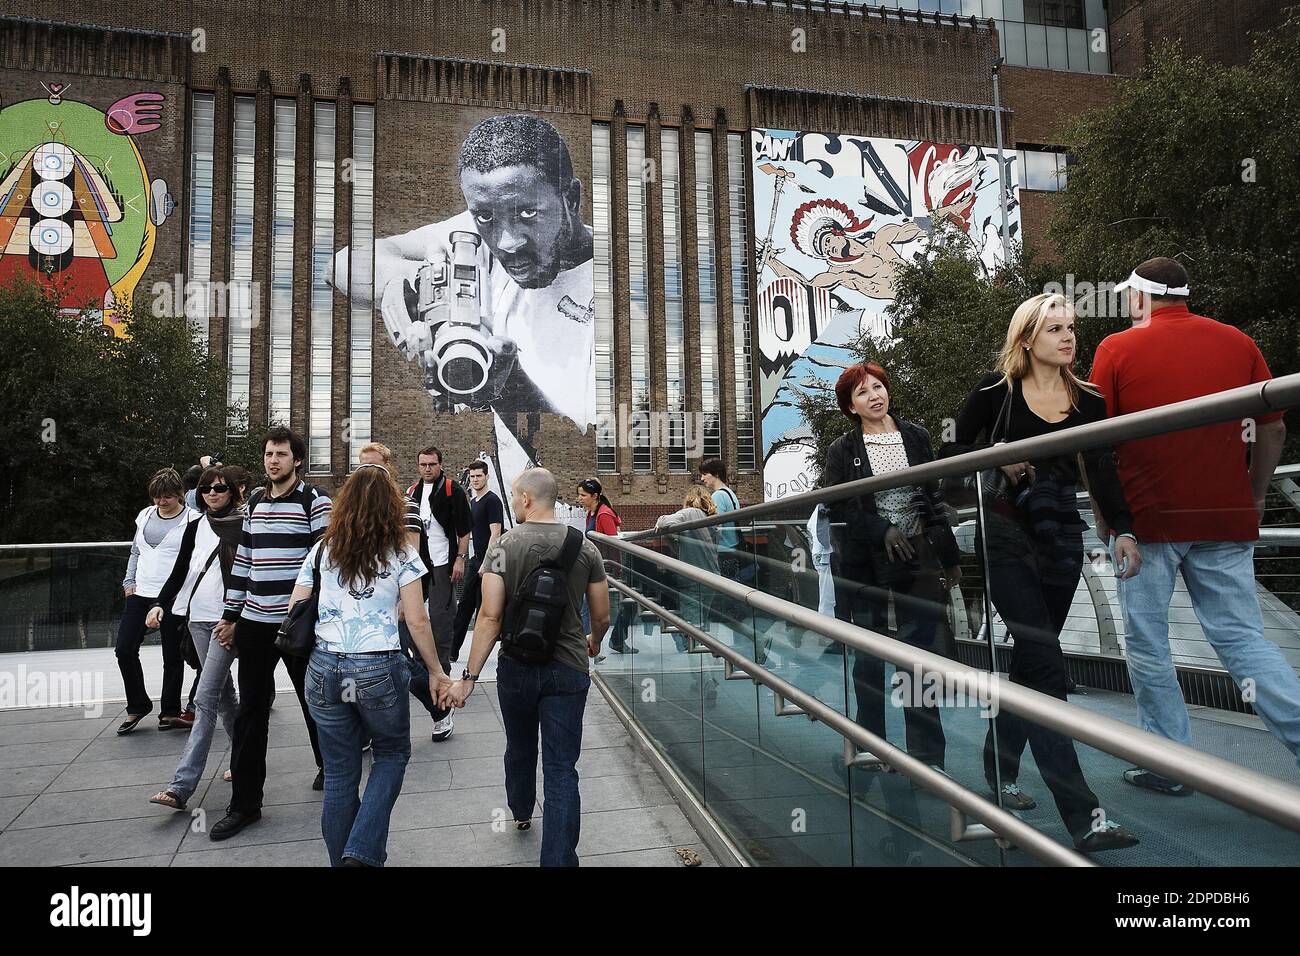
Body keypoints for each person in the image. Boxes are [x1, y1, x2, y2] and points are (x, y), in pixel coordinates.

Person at [942, 292, 1140, 853]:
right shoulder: (994, 392)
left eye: (1072, 327)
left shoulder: (1088, 401)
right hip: (1004, 535)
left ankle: (997, 769)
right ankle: (1084, 818)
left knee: (1034, 660)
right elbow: (950, 452)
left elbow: (1102, 470)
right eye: (1054, 328)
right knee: (1049, 670)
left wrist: (1123, 528)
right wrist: (994, 457)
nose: (1068, 337)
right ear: (1027, 338)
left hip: (1061, 540)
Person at [1091, 256, 1300, 787]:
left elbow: (1092, 443)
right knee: (1242, 638)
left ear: (1141, 297)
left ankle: (1170, 766)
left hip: (1147, 521)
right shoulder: (1238, 342)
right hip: (1225, 516)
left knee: (1148, 641)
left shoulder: (1116, 349)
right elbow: (1272, 430)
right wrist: (1254, 497)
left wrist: (1105, 515)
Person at [330, 114, 596, 511]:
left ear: (570, 199)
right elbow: (342, 264)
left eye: (528, 214)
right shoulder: (479, 227)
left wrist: (501, 385)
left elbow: (585, 426)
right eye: (485, 216)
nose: (506, 242)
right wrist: (411, 284)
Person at [444, 468, 611, 867]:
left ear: (525, 500)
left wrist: (468, 678)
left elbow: (489, 617)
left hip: (516, 666)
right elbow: (602, 614)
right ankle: (558, 859)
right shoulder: (584, 547)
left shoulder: (501, 547)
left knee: (519, 746)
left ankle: (520, 809)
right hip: (568, 666)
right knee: (561, 766)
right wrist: (594, 641)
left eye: (517, 496)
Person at [289, 463, 448, 867]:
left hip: (324, 666)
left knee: (340, 772)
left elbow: (295, 608)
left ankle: (344, 859)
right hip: (378, 666)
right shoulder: (401, 554)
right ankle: (360, 852)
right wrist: (435, 671)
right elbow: (416, 620)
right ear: (390, 506)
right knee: (391, 755)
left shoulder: (323, 548)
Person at [823, 362, 963, 774]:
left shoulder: (916, 436)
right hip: (865, 560)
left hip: (917, 556)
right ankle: (872, 746)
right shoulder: (843, 450)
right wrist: (882, 529)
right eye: (863, 392)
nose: (875, 396)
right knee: (868, 653)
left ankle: (926, 757)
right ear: (850, 405)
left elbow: (933, 496)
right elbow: (840, 504)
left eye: (878, 387)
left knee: (921, 656)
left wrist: (949, 556)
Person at [208, 427, 331, 841]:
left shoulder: (314, 501)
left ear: (297, 459)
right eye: (268, 454)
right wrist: (231, 615)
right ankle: (245, 805)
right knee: (250, 714)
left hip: (297, 623)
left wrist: (315, 614)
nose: (273, 460)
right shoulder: (256, 502)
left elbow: (326, 563)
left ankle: (330, 768)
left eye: (281, 454)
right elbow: (243, 563)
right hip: (256, 624)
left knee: (314, 702)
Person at [146, 465, 246, 810]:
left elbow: (250, 576)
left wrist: (233, 618)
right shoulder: (194, 526)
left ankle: (181, 786)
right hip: (196, 620)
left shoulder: (243, 526)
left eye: (220, 488)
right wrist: (161, 602)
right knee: (224, 695)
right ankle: (242, 757)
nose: (213, 494)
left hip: (226, 622)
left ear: (232, 491)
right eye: (206, 489)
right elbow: (181, 570)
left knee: (204, 699)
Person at [115, 468, 198, 735]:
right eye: (157, 497)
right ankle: (138, 704)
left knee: (171, 657)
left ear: (180, 495)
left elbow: (193, 563)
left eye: (167, 497)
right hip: (140, 594)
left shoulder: (193, 520)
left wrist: (182, 594)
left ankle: (170, 711)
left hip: (172, 598)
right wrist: (129, 582)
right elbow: (135, 550)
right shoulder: (145, 515)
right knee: (124, 649)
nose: (161, 502)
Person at [404, 446, 472, 741]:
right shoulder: (412, 491)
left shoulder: (451, 490)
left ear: (440, 464)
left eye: (432, 464)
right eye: (423, 464)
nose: (427, 468)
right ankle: (424, 668)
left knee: (443, 617)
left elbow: (465, 529)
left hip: (444, 562)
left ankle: (441, 669)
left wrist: (460, 558)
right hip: (418, 566)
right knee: (412, 616)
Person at [452, 460, 504, 661]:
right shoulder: (473, 502)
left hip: (491, 561)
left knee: (490, 608)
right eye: (472, 476)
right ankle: (452, 651)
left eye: (479, 476)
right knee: (465, 604)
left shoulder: (492, 501)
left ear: (487, 476)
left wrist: (486, 563)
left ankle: (495, 649)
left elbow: (496, 533)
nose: (475, 480)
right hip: (477, 560)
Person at [576, 478, 635, 654]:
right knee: (587, 605)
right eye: (578, 494)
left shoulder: (604, 514)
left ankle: (591, 647)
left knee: (594, 606)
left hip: (608, 568)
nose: (579, 498)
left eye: (583, 495)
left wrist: (616, 569)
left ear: (595, 496)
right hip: (596, 566)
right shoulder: (591, 513)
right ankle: (594, 644)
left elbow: (614, 544)